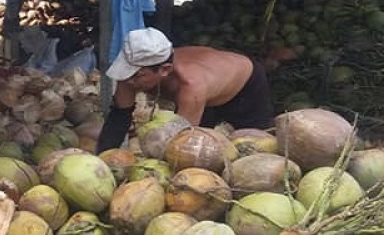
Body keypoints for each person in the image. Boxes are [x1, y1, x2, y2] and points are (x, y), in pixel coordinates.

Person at [96, 27, 274, 153]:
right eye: (127, 73)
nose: (129, 81)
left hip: (244, 84)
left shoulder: (191, 86)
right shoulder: (131, 75)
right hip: (206, 86)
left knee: (256, 145)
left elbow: (180, 144)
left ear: (164, 70)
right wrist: (103, 157)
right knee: (202, 146)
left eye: (137, 76)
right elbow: (119, 118)